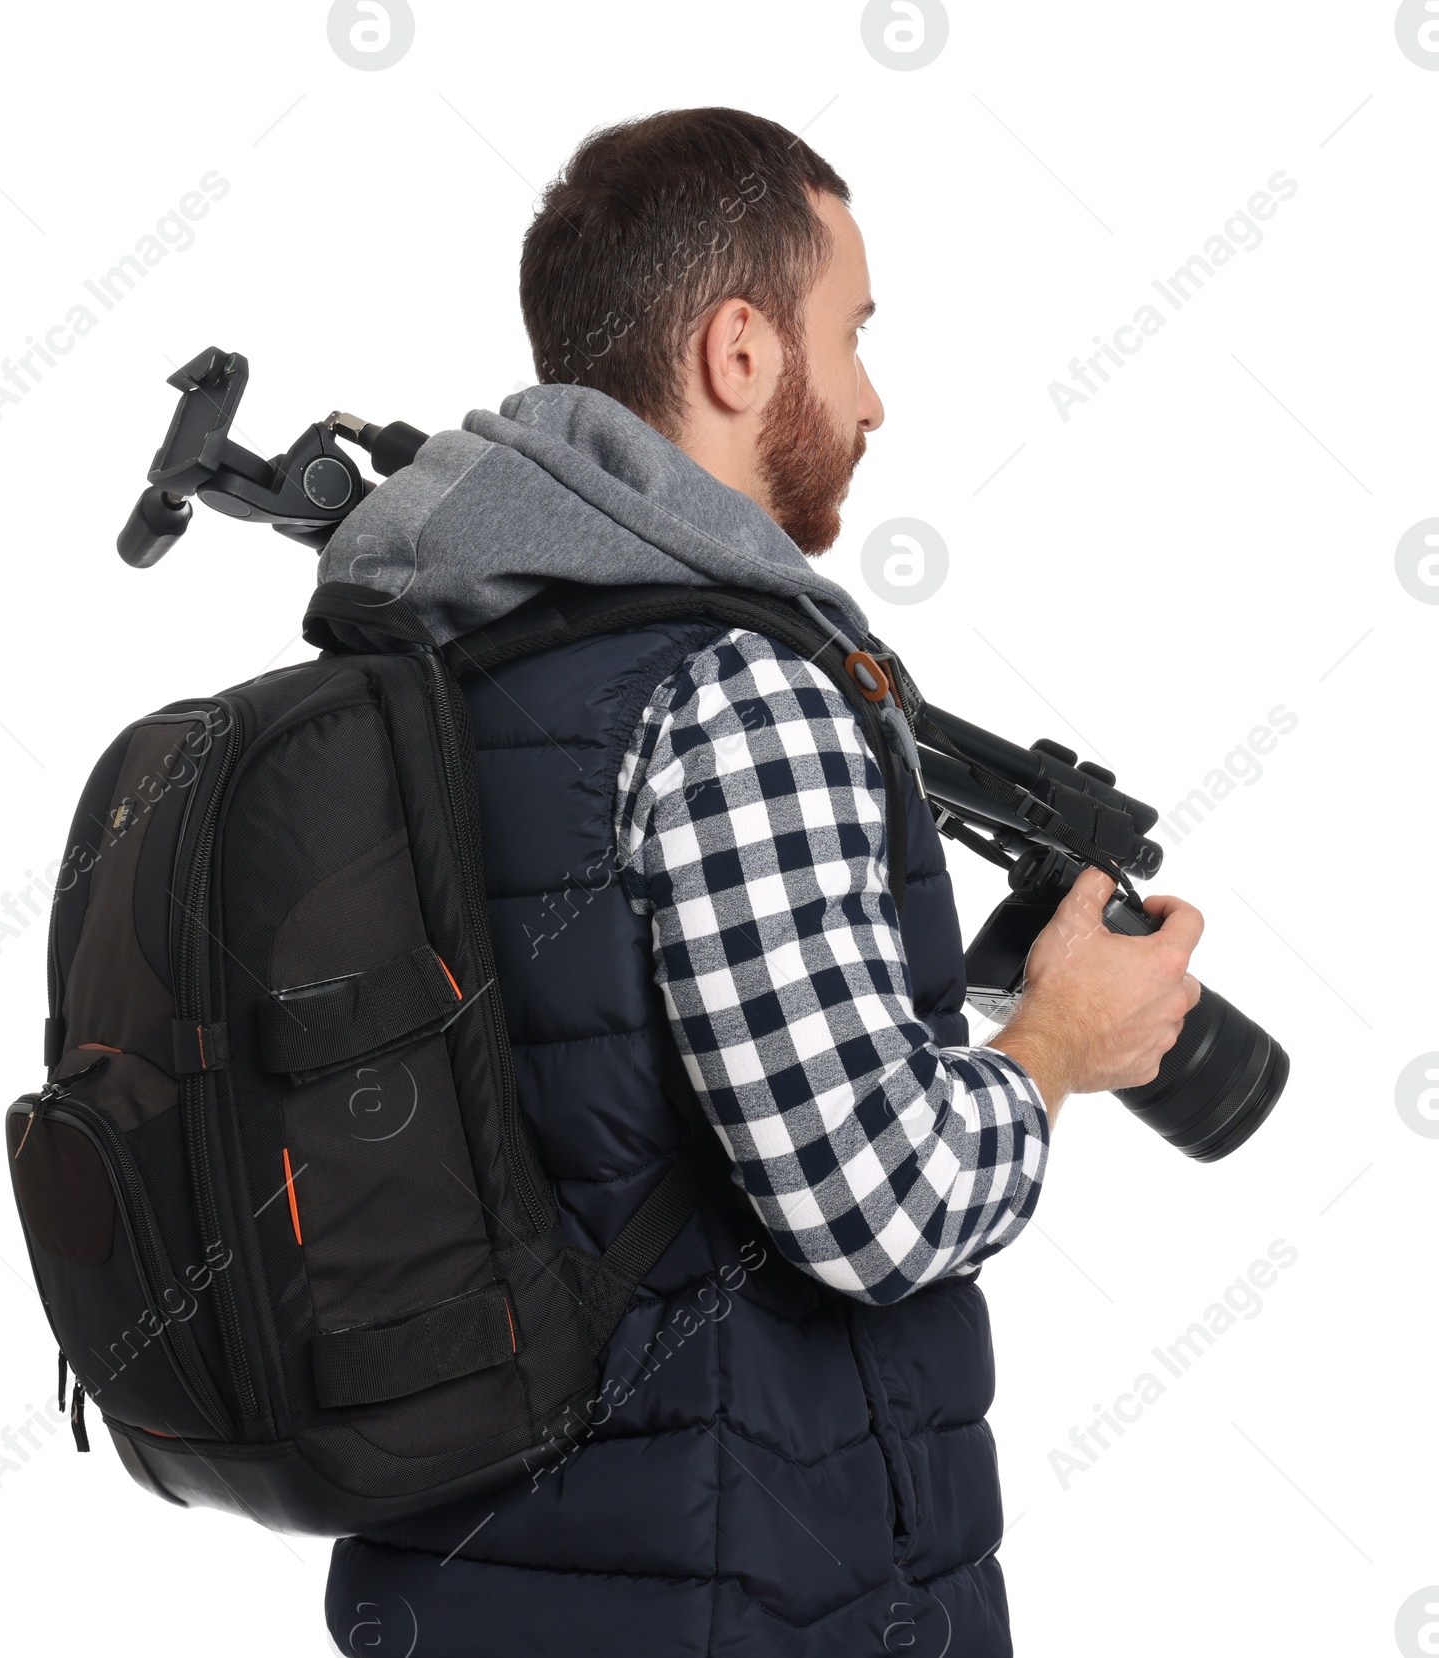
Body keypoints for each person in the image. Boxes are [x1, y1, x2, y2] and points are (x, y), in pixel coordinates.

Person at [322, 106, 1201, 1658]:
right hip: (752, 1595)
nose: (873, 396)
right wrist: (1062, 1040)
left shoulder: (424, 665)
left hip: (456, 1580)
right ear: (740, 350)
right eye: (850, 334)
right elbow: (883, 1201)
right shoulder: (736, 686)